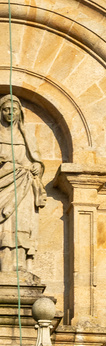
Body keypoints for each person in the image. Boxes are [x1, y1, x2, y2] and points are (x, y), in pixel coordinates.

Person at [0, 95, 46, 272]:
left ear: (20, 112)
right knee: (4, 225)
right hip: (4, 183)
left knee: (21, 224)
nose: (10, 113)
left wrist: (36, 167)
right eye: (6, 109)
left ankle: (19, 264)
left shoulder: (26, 135)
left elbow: (36, 160)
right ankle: (4, 265)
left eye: (14, 109)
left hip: (23, 184)